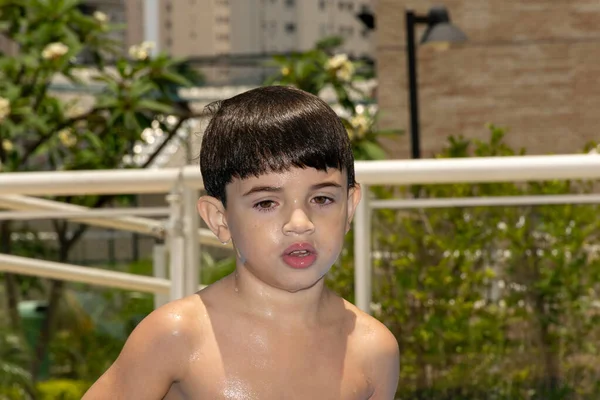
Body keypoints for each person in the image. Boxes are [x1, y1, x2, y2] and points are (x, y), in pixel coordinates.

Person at [82, 86, 399, 399]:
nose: (300, 223)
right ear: (220, 219)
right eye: (266, 204)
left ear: (350, 206)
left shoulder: (373, 350)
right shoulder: (178, 336)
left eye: (322, 198)